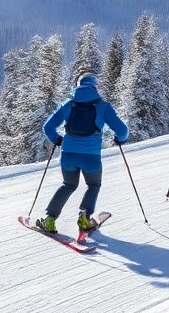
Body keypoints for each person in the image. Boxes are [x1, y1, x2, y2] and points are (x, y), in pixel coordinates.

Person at [36, 72, 129, 233]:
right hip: (91, 157)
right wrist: (120, 139)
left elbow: (47, 127)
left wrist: (57, 139)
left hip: (68, 155)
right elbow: (123, 130)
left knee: (68, 185)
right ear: (95, 88)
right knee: (93, 184)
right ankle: (84, 218)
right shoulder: (103, 107)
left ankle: (50, 220)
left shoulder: (68, 104)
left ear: (77, 86)